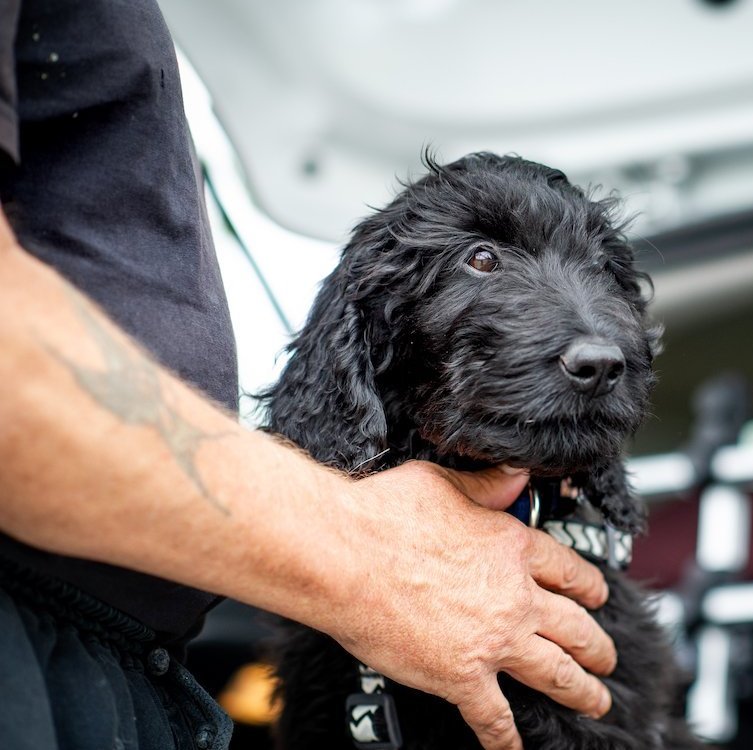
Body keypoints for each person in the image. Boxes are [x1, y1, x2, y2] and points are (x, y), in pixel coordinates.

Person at [0, 2, 615, 749]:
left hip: (119, 669)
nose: (595, 338)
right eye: (483, 260)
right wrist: (362, 557)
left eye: (598, 268)